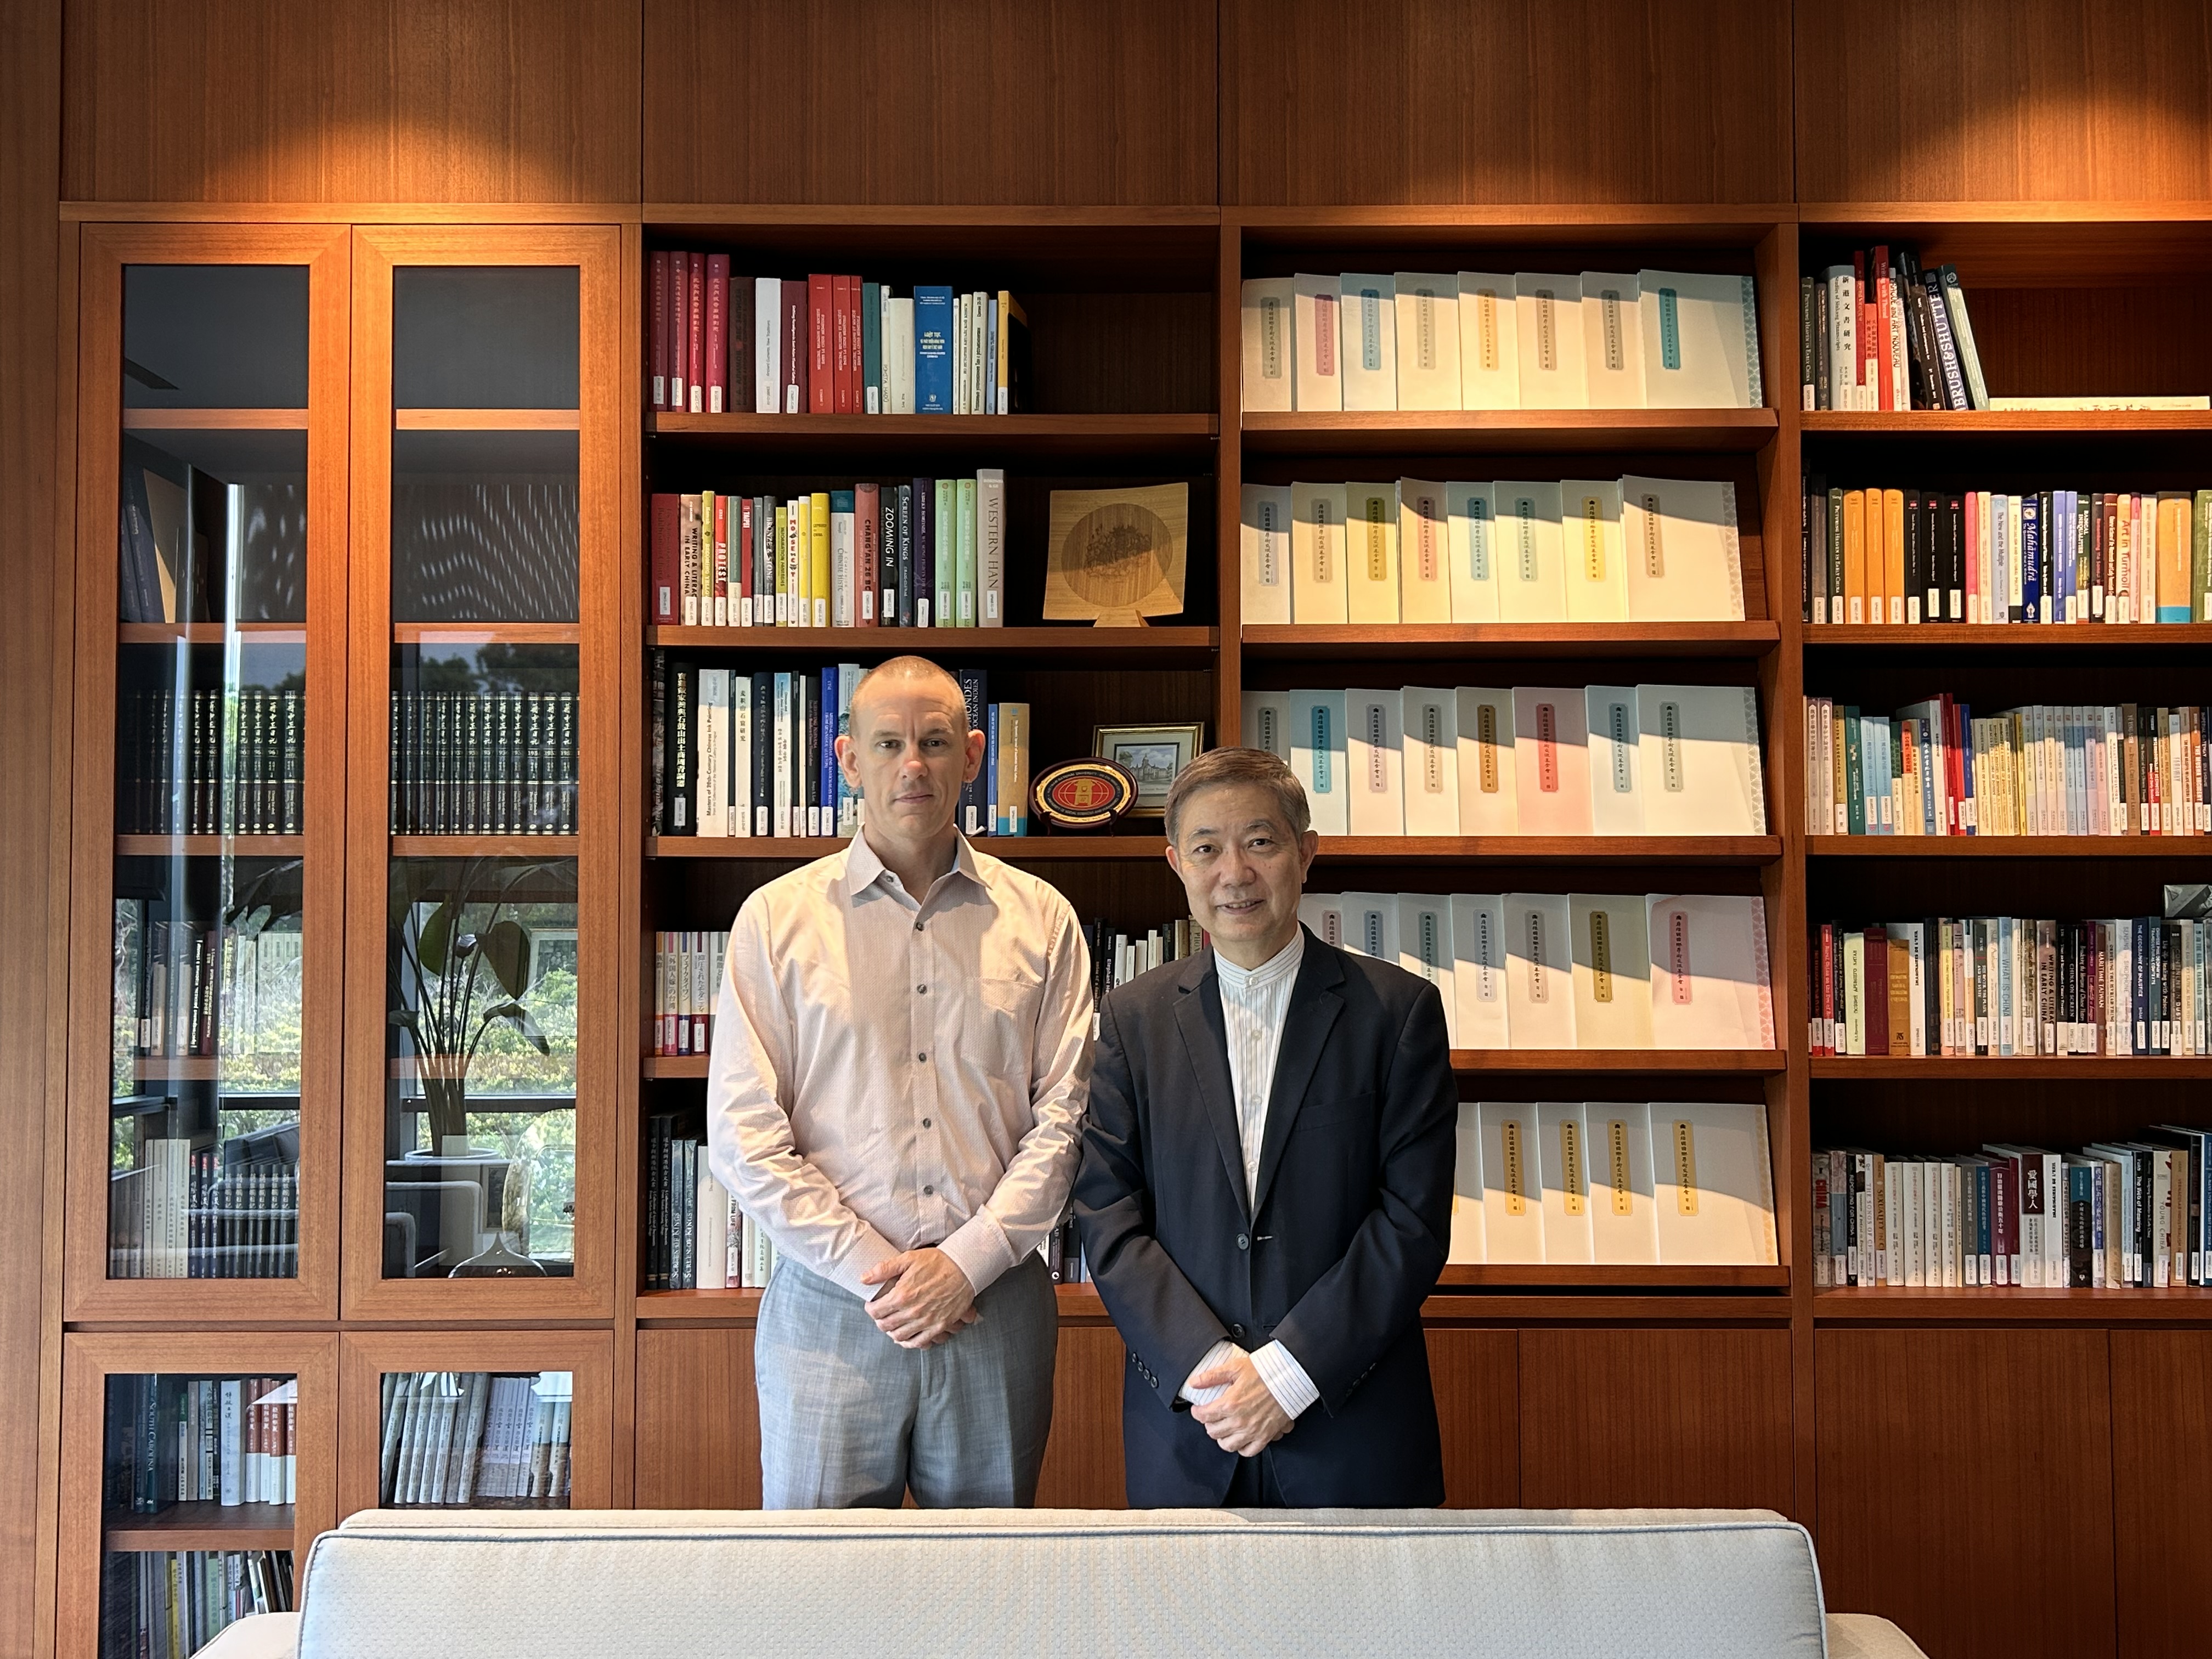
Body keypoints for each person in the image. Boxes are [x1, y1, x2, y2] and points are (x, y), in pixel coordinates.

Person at [706, 656, 1092, 1508]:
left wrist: (965, 1265)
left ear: (974, 755)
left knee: (988, 1579)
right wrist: (880, 1271)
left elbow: (1066, 1119)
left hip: (993, 1307)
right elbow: (742, 1134)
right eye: (887, 744)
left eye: (935, 742)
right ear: (848, 760)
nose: (912, 764)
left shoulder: (1044, 919)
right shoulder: (775, 921)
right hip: (830, 1311)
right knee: (819, 1583)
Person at [1074, 746, 1457, 1507]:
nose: (1235, 873)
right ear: (1176, 864)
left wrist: (1287, 1376)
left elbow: (1412, 1221)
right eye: (1207, 849)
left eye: (1260, 842)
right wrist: (1212, 1370)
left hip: (1351, 1427)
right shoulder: (1131, 1018)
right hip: (1190, 1427)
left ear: (1305, 854)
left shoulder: (1397, 1013)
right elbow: (1107, 1212)